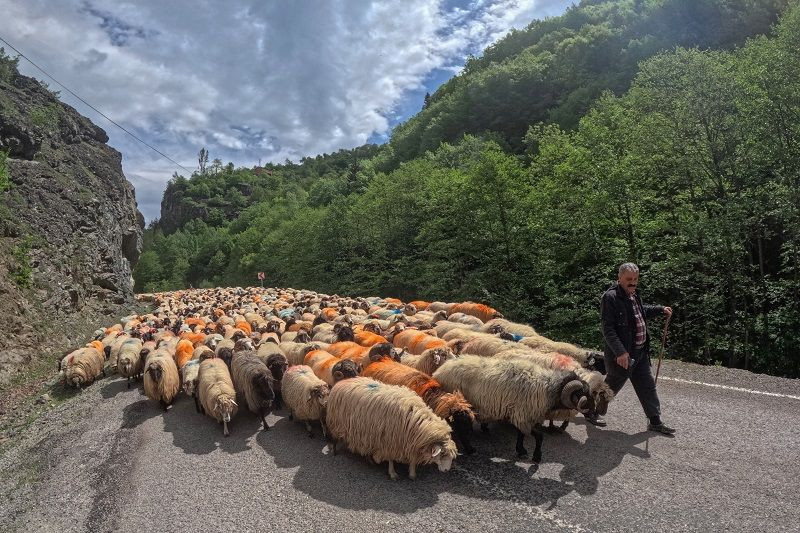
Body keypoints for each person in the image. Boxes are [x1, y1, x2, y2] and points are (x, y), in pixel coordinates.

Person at [592, 262, 675, 435]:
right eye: (629, 279)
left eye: (635, 279)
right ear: (620, 278)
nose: (633, 282)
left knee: (647, 386)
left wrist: (660, 310)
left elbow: (639, 312)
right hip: (623, 354)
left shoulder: (633, 294)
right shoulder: (610, 297)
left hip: (640, 352)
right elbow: (608, 329)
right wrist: (620, 352)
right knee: (611, 387)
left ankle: (655, 421)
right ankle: (591, 411)